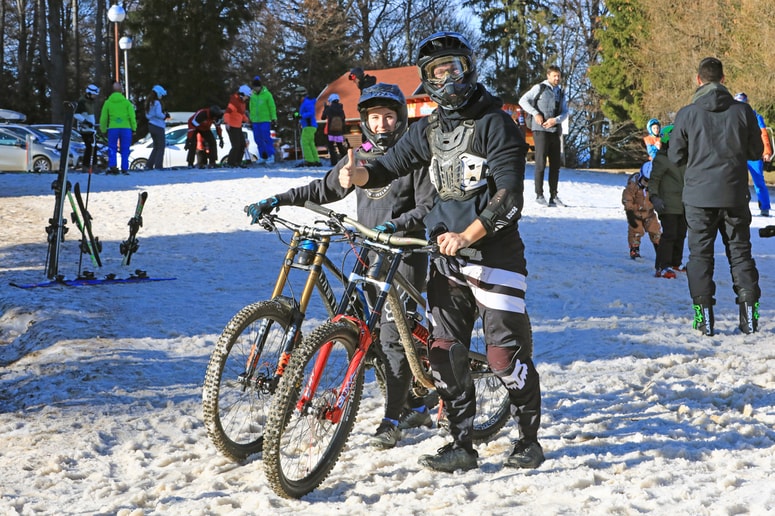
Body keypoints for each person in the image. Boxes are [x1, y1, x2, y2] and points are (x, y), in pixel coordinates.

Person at [338, 31, 544, 473]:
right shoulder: (429, 130)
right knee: (444, 355)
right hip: (447, 262)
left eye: (455, 68)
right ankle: (461, 445)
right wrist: (358, 176)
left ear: (469, 69)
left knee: (503, 359)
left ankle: (529, 440)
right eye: (438, 71)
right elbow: (386, 168)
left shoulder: (496, 123)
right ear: (426, 78)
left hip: (496, 259)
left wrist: (468, 235)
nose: (448, 79)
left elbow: (509, 197)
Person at [247, 83, 436, 450]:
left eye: (389, 117)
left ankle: (392, 419)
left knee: (392, 338)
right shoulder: (359, 157)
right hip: (369, 253)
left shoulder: (413, 158)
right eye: (375, 118)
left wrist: (396, 225)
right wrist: (278, 199)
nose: (381, 124)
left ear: (400, 119)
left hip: (404, 255)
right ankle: (413, 404)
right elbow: (324, 189)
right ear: (364, 121)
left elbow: (427, 206)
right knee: (373, 336)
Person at [668, 57, 763, 336]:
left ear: (699, 80)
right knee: (740, 254)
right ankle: (750, 319)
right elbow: (756, 152)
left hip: (699, 197)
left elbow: (675, 156)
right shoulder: (743, 112)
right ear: (723, 79)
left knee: (700, 256)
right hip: (734, 194)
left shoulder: (687, 114)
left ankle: (704, 320)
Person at [518, 65, 568, 207]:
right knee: (540, 164)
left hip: (554, 131)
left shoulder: (561, 92)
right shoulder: (539, 88)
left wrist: (556, 120)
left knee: (555, 165)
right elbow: (523, 101)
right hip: (540, 130)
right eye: (554, 76)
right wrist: (535, 113)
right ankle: (539, 195)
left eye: (558, 76)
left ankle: (554, 195)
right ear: (548, 76)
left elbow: (565, 112)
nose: (557, 78)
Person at [648, 125, 687, 278]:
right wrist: (654, 197)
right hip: (667, 203)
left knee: (681, 234)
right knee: (670, 234)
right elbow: (654, 180)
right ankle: (662, 266)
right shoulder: (662, 159)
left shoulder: (685, 158)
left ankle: (676, 262)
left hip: (683, 202)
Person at [733, 93, 773, 217]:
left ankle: (765, 207)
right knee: (734, 181)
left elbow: (764, 135)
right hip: (737, 154)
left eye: (743, 103)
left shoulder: (756, 116)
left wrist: (766, 152)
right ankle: (735, 207)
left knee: (758, 181)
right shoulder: (731, 116)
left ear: (747, 102)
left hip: (754, 155)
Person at [622, 162, 661, 268]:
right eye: (645, 180)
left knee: (655, 230)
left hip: (649, 212)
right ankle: (634, 249)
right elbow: (627, 198)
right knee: (636, 230)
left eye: (650, 181)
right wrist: (629, 209)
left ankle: (659, 249)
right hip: (635, 213)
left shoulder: (654, 188)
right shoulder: (633, 186)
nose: (647, 184)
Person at [99, 81, 136, 175]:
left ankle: (113, 166)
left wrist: (103, 129)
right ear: (121, 91)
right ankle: (125, 168)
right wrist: (134, 128)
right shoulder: (127, 103)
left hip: (113, 127)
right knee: (125, 148)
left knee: (112, 147)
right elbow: (132, 117)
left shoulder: (108, 103)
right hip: (126, 127)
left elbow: (104, 118)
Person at [249, 75, 278, 164]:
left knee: (266, 137)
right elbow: (251, 107)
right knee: (257, 138)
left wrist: (274, 117)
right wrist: (251, 118)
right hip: (255, 121)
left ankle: (271, 155)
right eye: (254, 88)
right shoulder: (252, 96)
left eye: (256, 87)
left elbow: (272, 106)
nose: (255, 89)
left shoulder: (267, 95)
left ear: (260, 87)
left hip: (265, 119)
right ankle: (263, 156)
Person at [74, 84, 100, 172]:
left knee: (94, 147)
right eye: (94, 95)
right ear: (89, 93)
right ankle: (86, 166)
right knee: (89, 147)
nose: (95, 97)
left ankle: (94, 166)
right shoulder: (82, 102)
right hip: (85, 129)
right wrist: (85, 122)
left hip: (90, 129)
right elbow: (76, 114)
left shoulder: (90, 102)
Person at [225, 85, 251, 167]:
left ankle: (238, 162)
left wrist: (248, 121)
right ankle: (231, 163)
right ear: (242, 94)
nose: (247, 98)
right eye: (246, 96)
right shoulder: (234, 102)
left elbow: (241, 114)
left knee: (242, 145)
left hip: (238, 126)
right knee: (236, 145)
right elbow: (227, 113)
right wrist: (227, 123)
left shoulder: (242, 103)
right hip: (232, 126)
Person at [294, 86, 321, 167]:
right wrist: (297, 115)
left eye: (297, 96)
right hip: (309, 125)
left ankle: (309, 160)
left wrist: (301, 116)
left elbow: (311, 112)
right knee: (310, 143)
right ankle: (315, 160)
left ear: (301, 95)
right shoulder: (305, 103)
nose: (296, 98)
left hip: (309, 126)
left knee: (305, 142)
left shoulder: (307, 103)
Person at [145, 84, 168, 170]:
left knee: (156, 147)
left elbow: (148, 115)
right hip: (158, 126)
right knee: (161, 147)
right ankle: (158, 166)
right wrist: (165, 116)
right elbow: (158, 114)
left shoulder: (149, 102)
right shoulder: (157, 103)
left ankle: (149, 165)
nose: (161, 96)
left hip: (151, 125)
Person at [322, 93, 347, 166]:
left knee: (331, 147)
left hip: (330, 132)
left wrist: (325, 108)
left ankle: (334, 162)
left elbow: (323, 117)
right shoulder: (341, 109)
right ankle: (345, 161)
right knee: (340, 146)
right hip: (339, 131)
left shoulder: (329, 109)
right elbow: (343, 119)